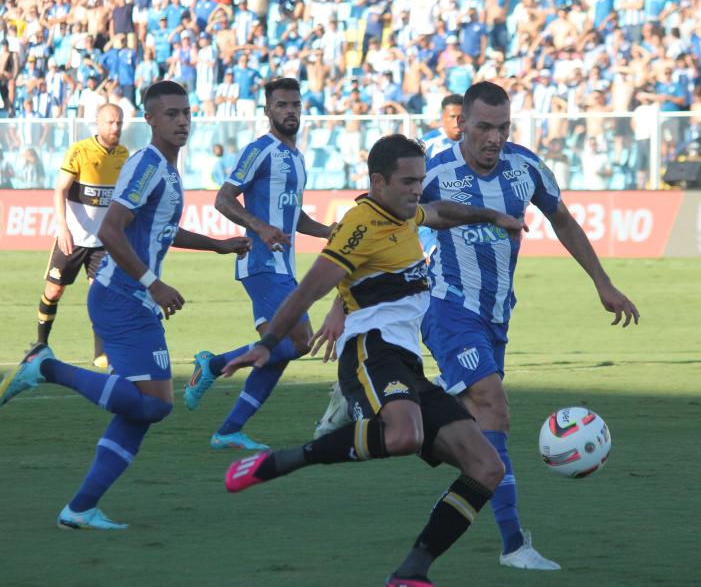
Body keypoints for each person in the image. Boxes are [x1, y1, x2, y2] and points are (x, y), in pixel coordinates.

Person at [312, 82, 640, 572]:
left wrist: (603, 282)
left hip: (497, 314)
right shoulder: (436, 170)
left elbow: (564, 220)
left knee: (480, 421)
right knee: (493, 403)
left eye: (504, 127)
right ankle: (512, 544)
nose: (495, 137)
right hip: (446, 306)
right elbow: (368, 222)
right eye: (484, 126)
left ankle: (372, 405)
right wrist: (342, 306)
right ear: (461, 123)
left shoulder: (525, 167)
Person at [221, 134, 528, 587]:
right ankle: (286, 460)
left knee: (487, 467)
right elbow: (309, 289)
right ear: (378, 181)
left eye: (420, 180)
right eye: (407, 181)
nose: (416, 190)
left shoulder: (408, 213)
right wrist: (268, 342)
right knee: (404, 435)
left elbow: (440, 213)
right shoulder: (359, 226)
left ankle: (413, 572)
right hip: (370, 350)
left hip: (407, 364)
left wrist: (492, 215)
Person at [0, 80, 251, 530]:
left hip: (133, 300)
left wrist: (217, 245)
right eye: (171, 113)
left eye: (186, 112)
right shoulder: (147, 164)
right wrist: (153, 283)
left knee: (142, 411)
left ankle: (80, 507)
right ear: (149, 120)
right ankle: (45, 367)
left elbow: (163, 231)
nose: (182, 120)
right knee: (154, 404)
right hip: (121, 296)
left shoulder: (167, 170)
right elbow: (111, 229)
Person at [181, 78, 333, 451]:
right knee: (299, 340)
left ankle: (229, 429)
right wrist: (261, 228)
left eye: (295, 104)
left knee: (277, 351)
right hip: (261, 262)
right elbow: (224, 198)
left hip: (285, 265)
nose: (290, 111)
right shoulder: (259, 150)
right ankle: (214, 365)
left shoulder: (296, 158)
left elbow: (293, 216)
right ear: (267, 110)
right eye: (281, 105)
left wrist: (329, 231)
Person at [36, 104, 128, 369]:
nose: (115, 128)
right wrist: (62, 226)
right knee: (53, 291)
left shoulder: (124, 155)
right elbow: (60, 190)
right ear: (98, 124)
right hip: (73, 238)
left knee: (99, 294)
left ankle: (101, 352)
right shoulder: (80, 151)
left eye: (119, 123)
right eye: (110, 122)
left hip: (102, 243)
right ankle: (41, 344)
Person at [416, 94, 464, 261]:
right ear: (442, 117)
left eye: (461, 117)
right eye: (452, 117)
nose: (457, 121)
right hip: (432, 219)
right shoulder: (426, 144)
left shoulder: (474, 144)